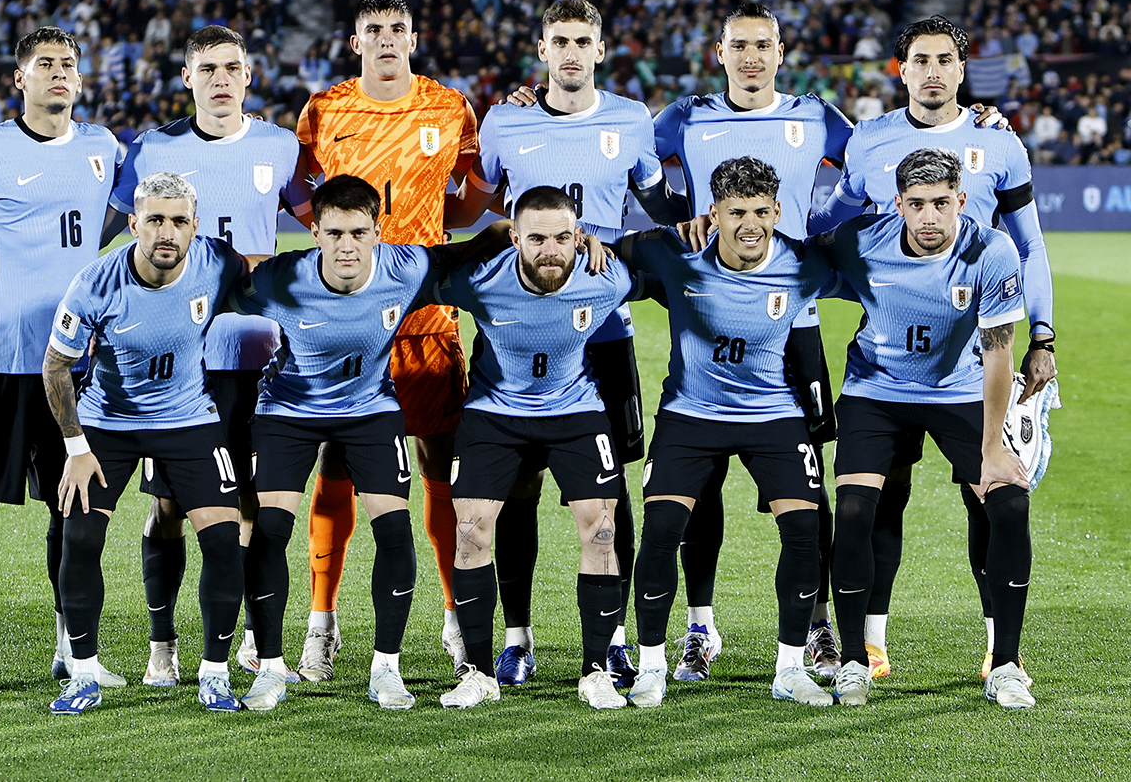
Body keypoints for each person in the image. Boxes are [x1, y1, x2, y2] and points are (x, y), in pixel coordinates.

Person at [810, 15, 1056, 681]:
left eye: (945, 59)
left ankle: (1000, 650)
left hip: (969, 359)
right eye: (920, 60)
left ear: (961, 68)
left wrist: (1042, 333)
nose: (933, 72)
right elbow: (833, 223)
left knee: (990, 497)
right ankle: (870, 645)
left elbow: (1029, 245)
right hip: (886, 357)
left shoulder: (998, 142)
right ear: (903, 69)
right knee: (876, 502)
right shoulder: (869, 140)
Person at [446, 0, 673, 689]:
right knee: (514, 487)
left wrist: (628, 244)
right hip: (520, 329)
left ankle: (613, 639)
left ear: (600, 50)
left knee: (611, 493)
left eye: (583, 41)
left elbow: (662, 211)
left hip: (605, 328)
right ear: (542, 49)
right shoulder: (505, 121)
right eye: (559, 41)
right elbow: (479, 211)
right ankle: (516, 639)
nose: (571, 52)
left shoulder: (631, 119)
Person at [226, 175, 506, 710]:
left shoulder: (405, 269)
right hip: (290, 411)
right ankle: (270, 667)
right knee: (270, 531)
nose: (347, 246)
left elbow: (462, 254)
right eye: (334, 233)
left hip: (369, 409)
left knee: (394, 530)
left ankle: (386, 669)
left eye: (358, 233)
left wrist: (506, 229)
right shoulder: (282, 278)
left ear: (378, 232)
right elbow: (217, 289)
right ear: (314, 233)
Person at [290, 0, 479, 680]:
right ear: (356, 42)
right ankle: (322, 622)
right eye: (375, 29)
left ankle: (457, 618)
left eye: (398, 27)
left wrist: (436, 228)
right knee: (336, 466)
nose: (388, 38)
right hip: (346, 321)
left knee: (441, 469)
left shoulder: (450, 108)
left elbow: (474, 195)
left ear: (413, 38)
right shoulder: (324, 110)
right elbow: (298, 190)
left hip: (425, 319)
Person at [0, 26, 123, 696]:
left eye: (69, 63)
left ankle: (71, 649)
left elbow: (113, 223)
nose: (59, 73)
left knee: (72, 509)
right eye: (46, 64)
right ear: (21, 78)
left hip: (74, 366)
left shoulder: (103, 148)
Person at [108, 25, 300, 686]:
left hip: (255, 358)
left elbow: (324, 224)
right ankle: (161, 647)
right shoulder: (154, 148)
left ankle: (247, 641)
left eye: (232, 67)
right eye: (208, 69)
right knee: (167, 507)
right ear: (187, 78)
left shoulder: (281, 146)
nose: (222, 79)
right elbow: (114, 232)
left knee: (249, 505)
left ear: (249, 76)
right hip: (177, 362)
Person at [620, 157, 849, 709]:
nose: (751, 225)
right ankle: (651, 667)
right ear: (714, 214)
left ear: (778, 212)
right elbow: (602, 249)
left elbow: (880, 267)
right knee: (662, 528)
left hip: (772, 413)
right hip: (691, 413)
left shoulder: (803, 262)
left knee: (806, 529)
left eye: (762, 212)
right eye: (737, 212)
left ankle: (790, 668)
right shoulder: (674, 252)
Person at [818, 147, 1035, 709]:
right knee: (855, 511)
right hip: (875, 392)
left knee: (1008, 503)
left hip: (958, 392)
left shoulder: (991, 250)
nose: (929, 217)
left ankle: (1006, 663)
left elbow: (999, 353)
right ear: (898, 205)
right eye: (916, 204)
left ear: (961, 200)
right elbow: (787, 257)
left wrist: (993, 447)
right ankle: (854, 660)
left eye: (941, 203)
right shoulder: (860, 240)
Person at [435, 186, 647, 710]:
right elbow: (414, 272)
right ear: (514, 238)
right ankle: (478, 672)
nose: (550, 251)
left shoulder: (605, 278)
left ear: (578, 237)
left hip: (575, 411)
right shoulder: (479, 282)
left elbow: (664, 264)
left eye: (561, 238)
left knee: (602, 531)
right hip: (495, 413)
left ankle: (596, 670)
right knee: (470, 531)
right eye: (536, 239)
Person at [44, 172, 248, 714]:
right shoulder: (95, 282)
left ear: (195, 227)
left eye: (179, 221)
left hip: (188, 416)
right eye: (155, 219)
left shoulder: (218, 262)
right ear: (134, 224)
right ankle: (82, 675)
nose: (167, 232)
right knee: (80, 537)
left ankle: (214, 674)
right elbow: (56, 366)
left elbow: (263, 281)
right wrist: (76, 448)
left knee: (223, 540)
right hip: (108, 421)